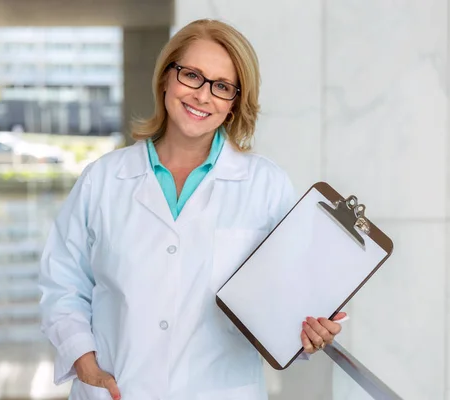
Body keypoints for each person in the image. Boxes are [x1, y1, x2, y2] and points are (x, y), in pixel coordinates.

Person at [39, 19, 346, 400]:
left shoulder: (266, 186)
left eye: (221, 86)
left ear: (234, 102)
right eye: (191, 76)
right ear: (166, 78)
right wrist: (84, 362)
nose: (203, 96)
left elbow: (289, 298)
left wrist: (308, 332)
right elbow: (62, 282)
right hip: (119, 389)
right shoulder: (103, 179)